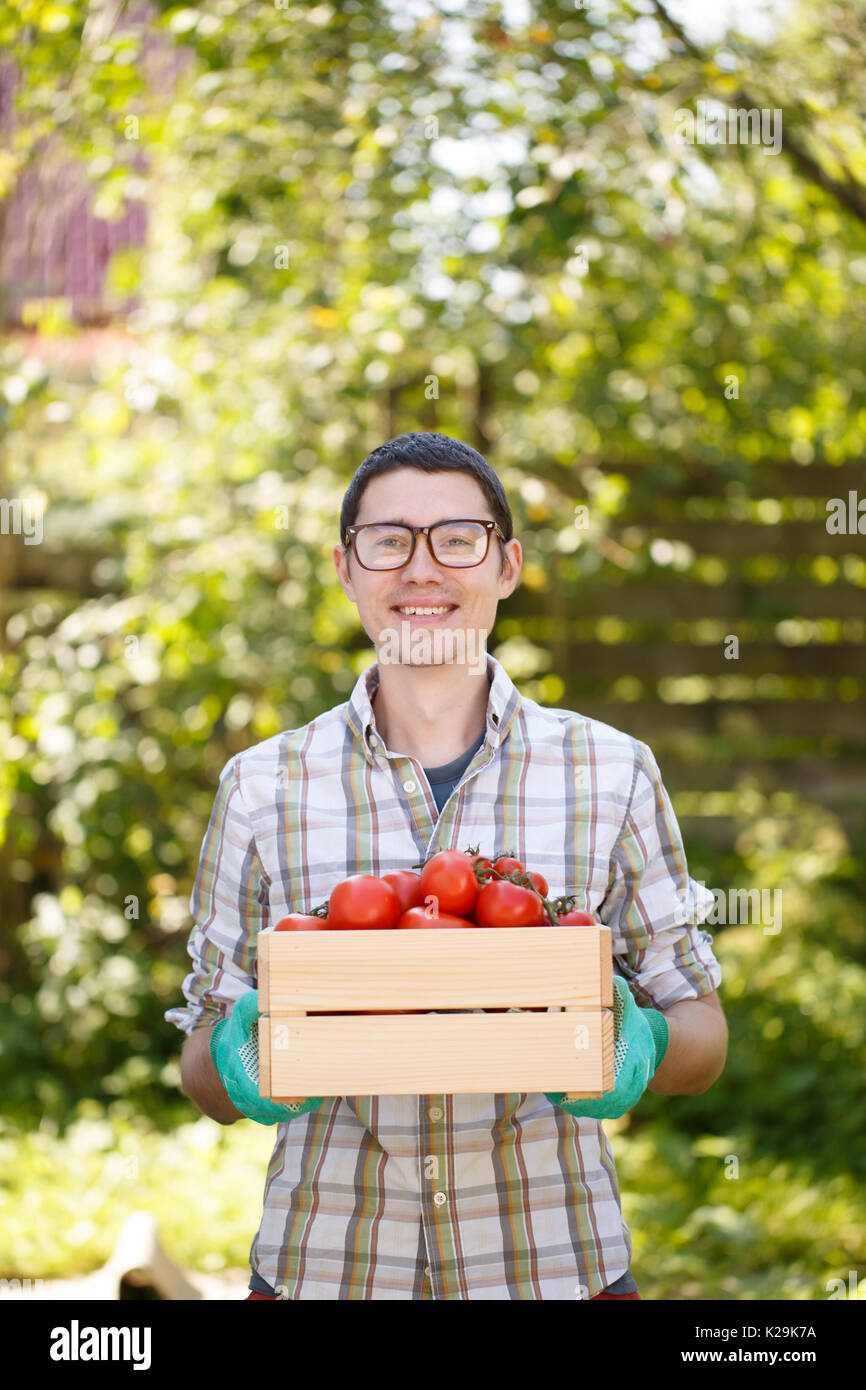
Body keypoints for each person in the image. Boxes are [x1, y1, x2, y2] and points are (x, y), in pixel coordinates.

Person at [166, 431, 727, 1301]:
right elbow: (201, 1067)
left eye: (455, 538)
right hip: (328, 1269)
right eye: (388, 540)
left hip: (554, 1268)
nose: (422, 569)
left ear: (505, 565)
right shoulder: (261, 786)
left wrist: (645, 1041)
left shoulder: (612, 771)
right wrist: (238, 1055)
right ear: (347, 569)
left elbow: (704, 1036)